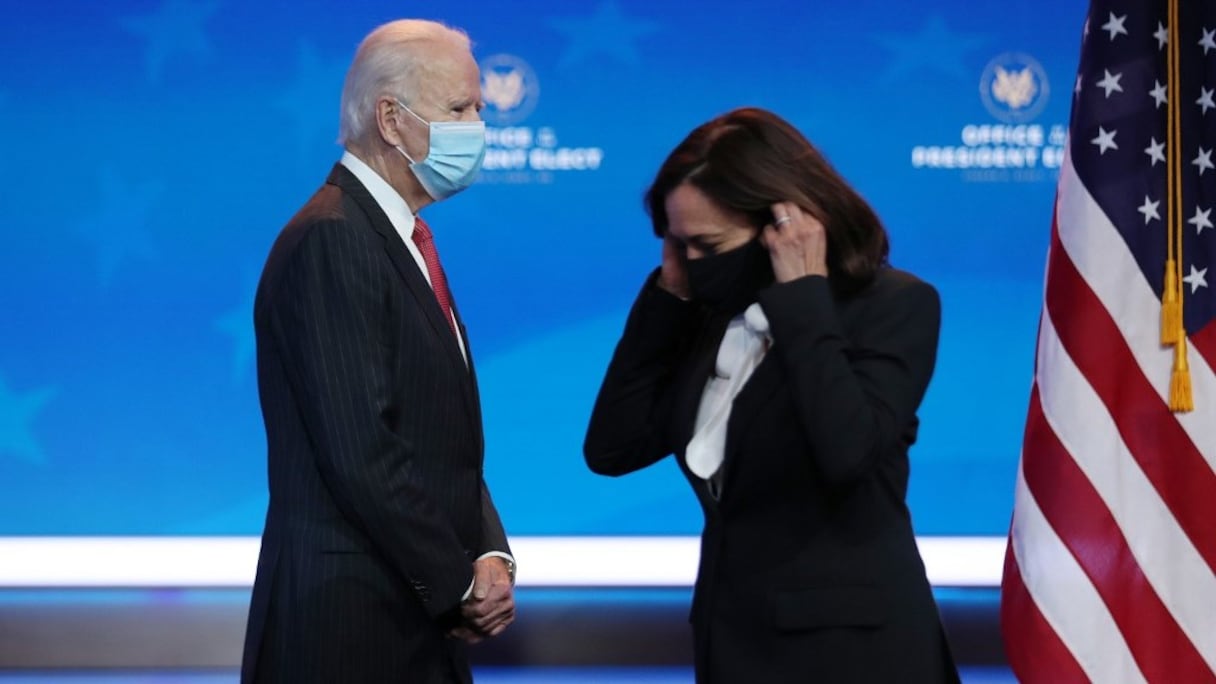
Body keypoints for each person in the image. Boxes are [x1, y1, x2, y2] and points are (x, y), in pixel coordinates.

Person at [584, 107, 959, 683]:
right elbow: (613, 448)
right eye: (679, 246)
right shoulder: (709, 315)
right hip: (732, 643)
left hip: (853, 656)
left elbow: (847, 454)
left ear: (784, 225)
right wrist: (667, 299)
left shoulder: (893, 306)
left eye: (708, 245)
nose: (693, 264)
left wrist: (804, 298)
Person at [241, 19, 515, 684]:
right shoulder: (333, 238)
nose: (480, 125)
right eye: (460, 108)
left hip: (410, 616)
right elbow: (363, 447)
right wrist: (456, 582)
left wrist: (489, 554)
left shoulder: (402, 238)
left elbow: (438, 436)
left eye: (479, 107)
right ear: (391, 120)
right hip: (350, 631)